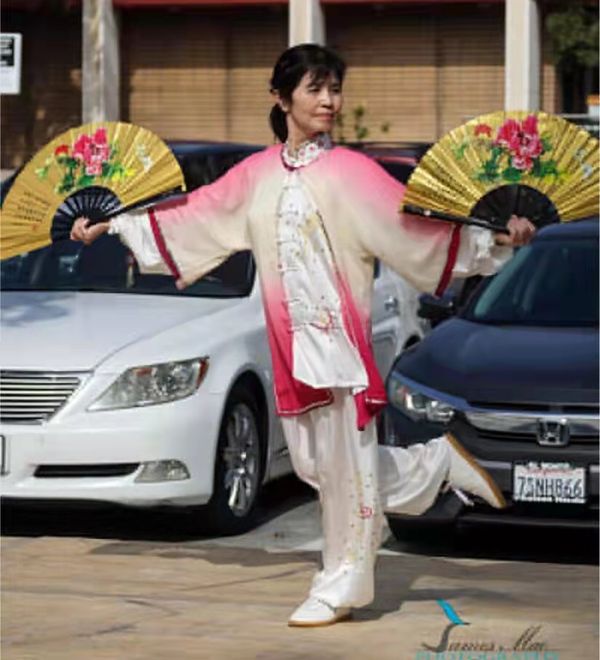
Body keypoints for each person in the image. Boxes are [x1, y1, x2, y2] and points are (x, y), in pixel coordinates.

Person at [71, 44, 536, 628]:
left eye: (334, 89)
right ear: (281, 97)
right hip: (289, 344)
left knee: (347, 464)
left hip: (339, 341)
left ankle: (342, 580)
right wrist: (114, 225)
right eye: (315, 89)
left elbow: (414, 226)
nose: (329, 101)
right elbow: (195, 212)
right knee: (316, 465)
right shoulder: (257, 174)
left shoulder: (351, 172)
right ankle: (433, 465)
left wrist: (496, 240)